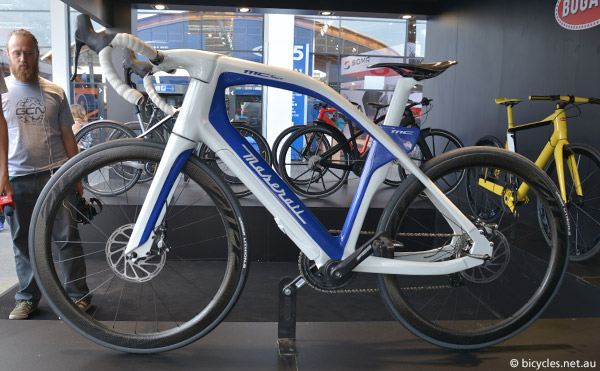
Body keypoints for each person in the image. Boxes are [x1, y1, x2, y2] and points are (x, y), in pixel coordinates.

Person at [1, 29, 91, 320]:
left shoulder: (55, 92)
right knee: (23, 241)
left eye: (28, 52)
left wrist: (76, 175)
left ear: (37, 54)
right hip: (16, 179)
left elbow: (68, 137)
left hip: (55, 176)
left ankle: (78, 296)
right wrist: (2, 176)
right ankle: (27, 297)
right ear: (8, 55)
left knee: (67, 237)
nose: (23, 58)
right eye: (17, 53)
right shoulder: (2, 92)